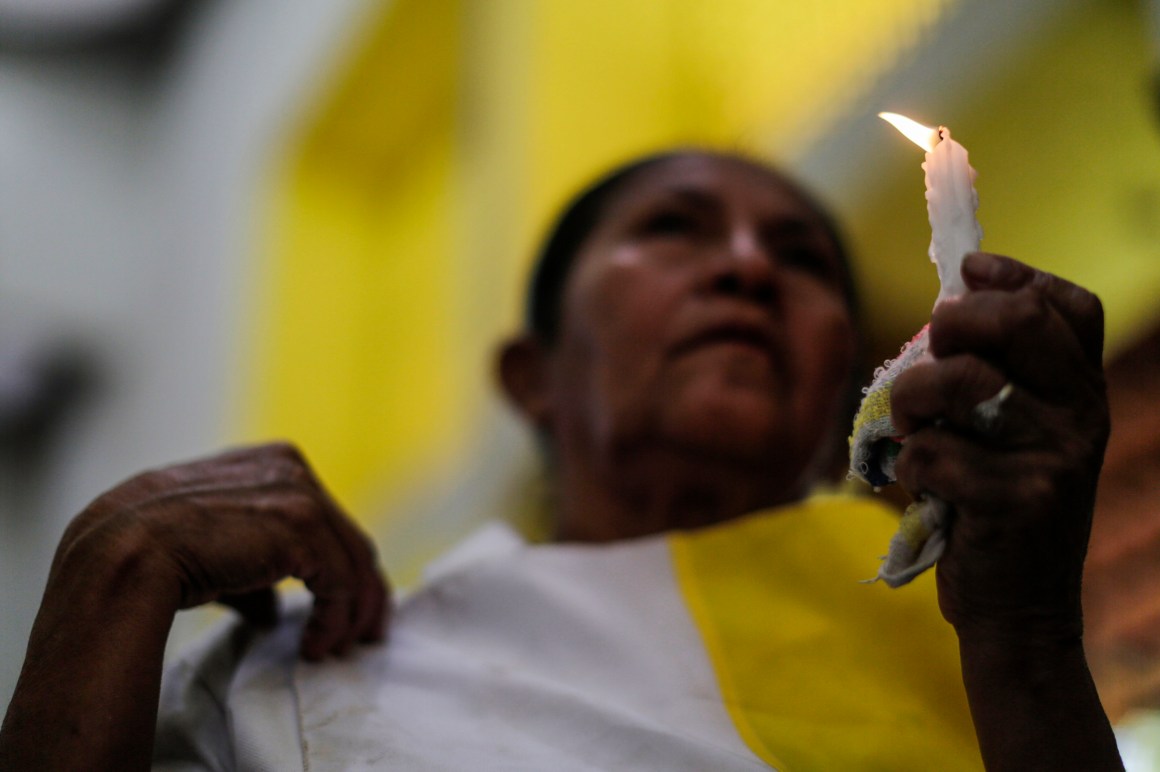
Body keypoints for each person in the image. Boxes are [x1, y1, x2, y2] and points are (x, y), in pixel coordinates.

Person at [0, 150, 1122, 770]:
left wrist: (1026, 643)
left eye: (795, 256)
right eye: (672, 230)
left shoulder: (964, 628)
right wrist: (114, 570)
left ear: (848, 373)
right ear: (531, 375)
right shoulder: (313, 671)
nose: (745, 268)